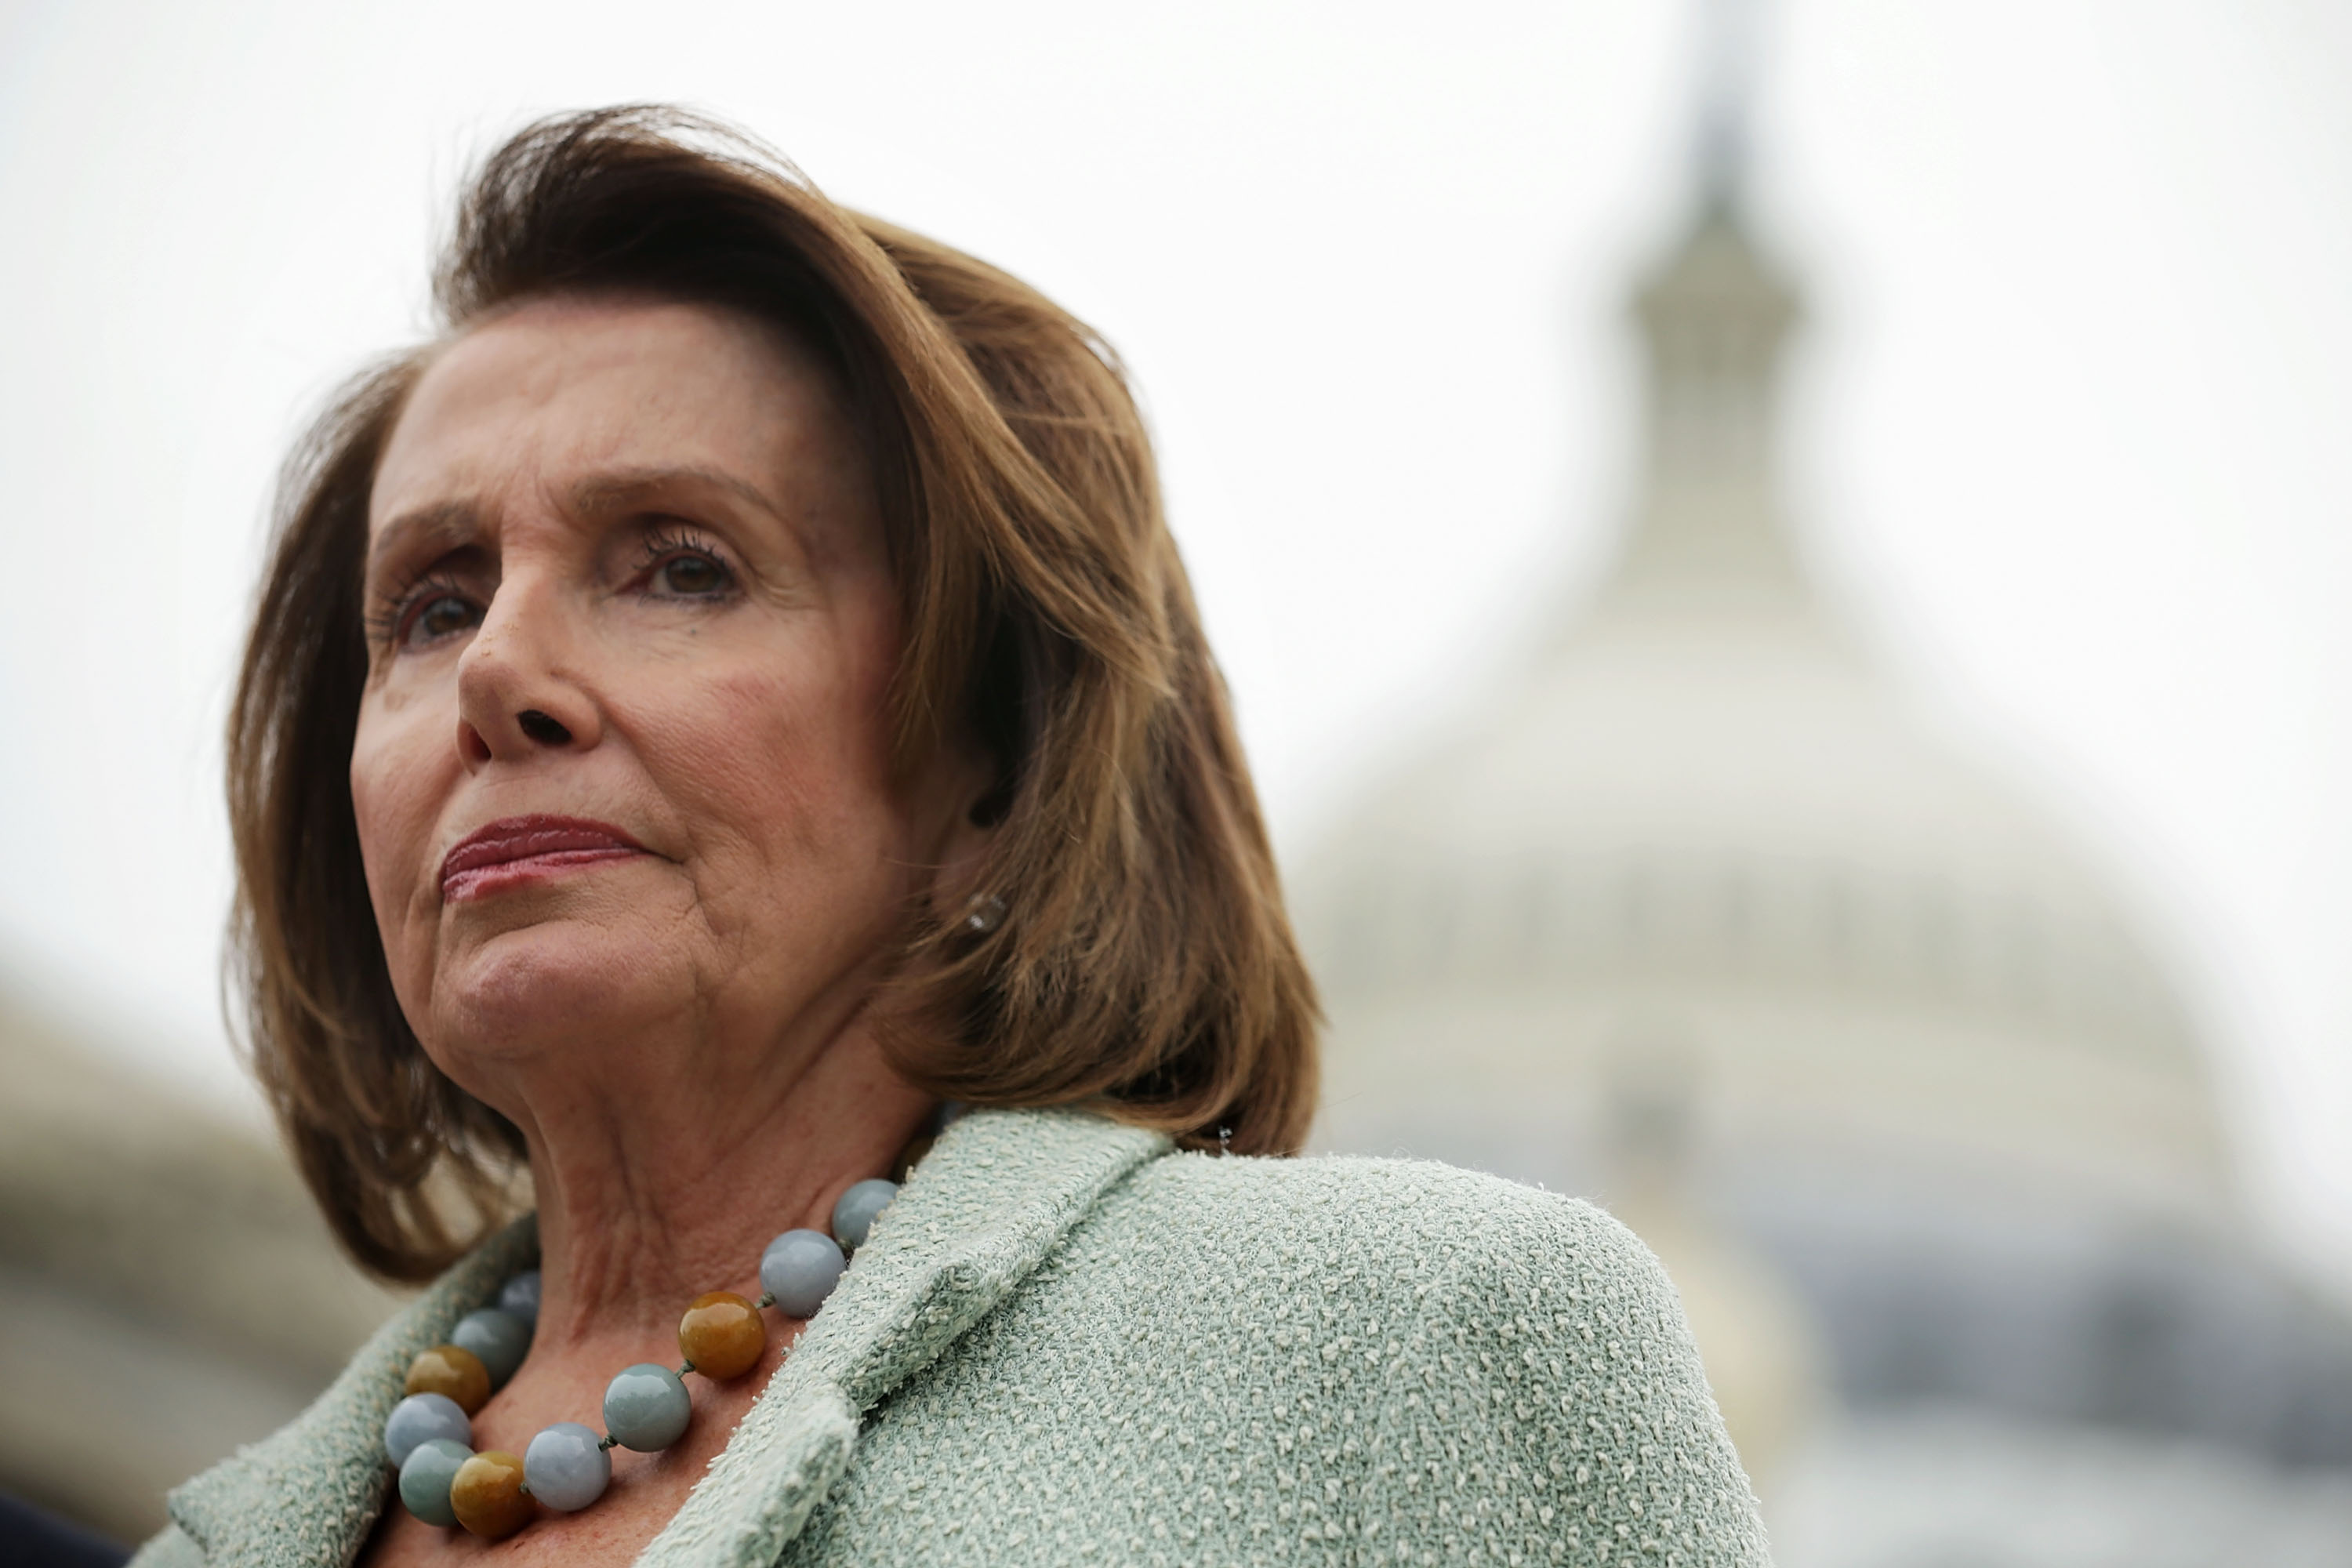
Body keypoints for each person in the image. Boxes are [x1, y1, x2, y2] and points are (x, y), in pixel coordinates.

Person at [131, 107, 1768, 1567]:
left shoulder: (1410, 1355)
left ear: (991, 752)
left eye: (680, 565)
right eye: (430, 602)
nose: (496, 672)